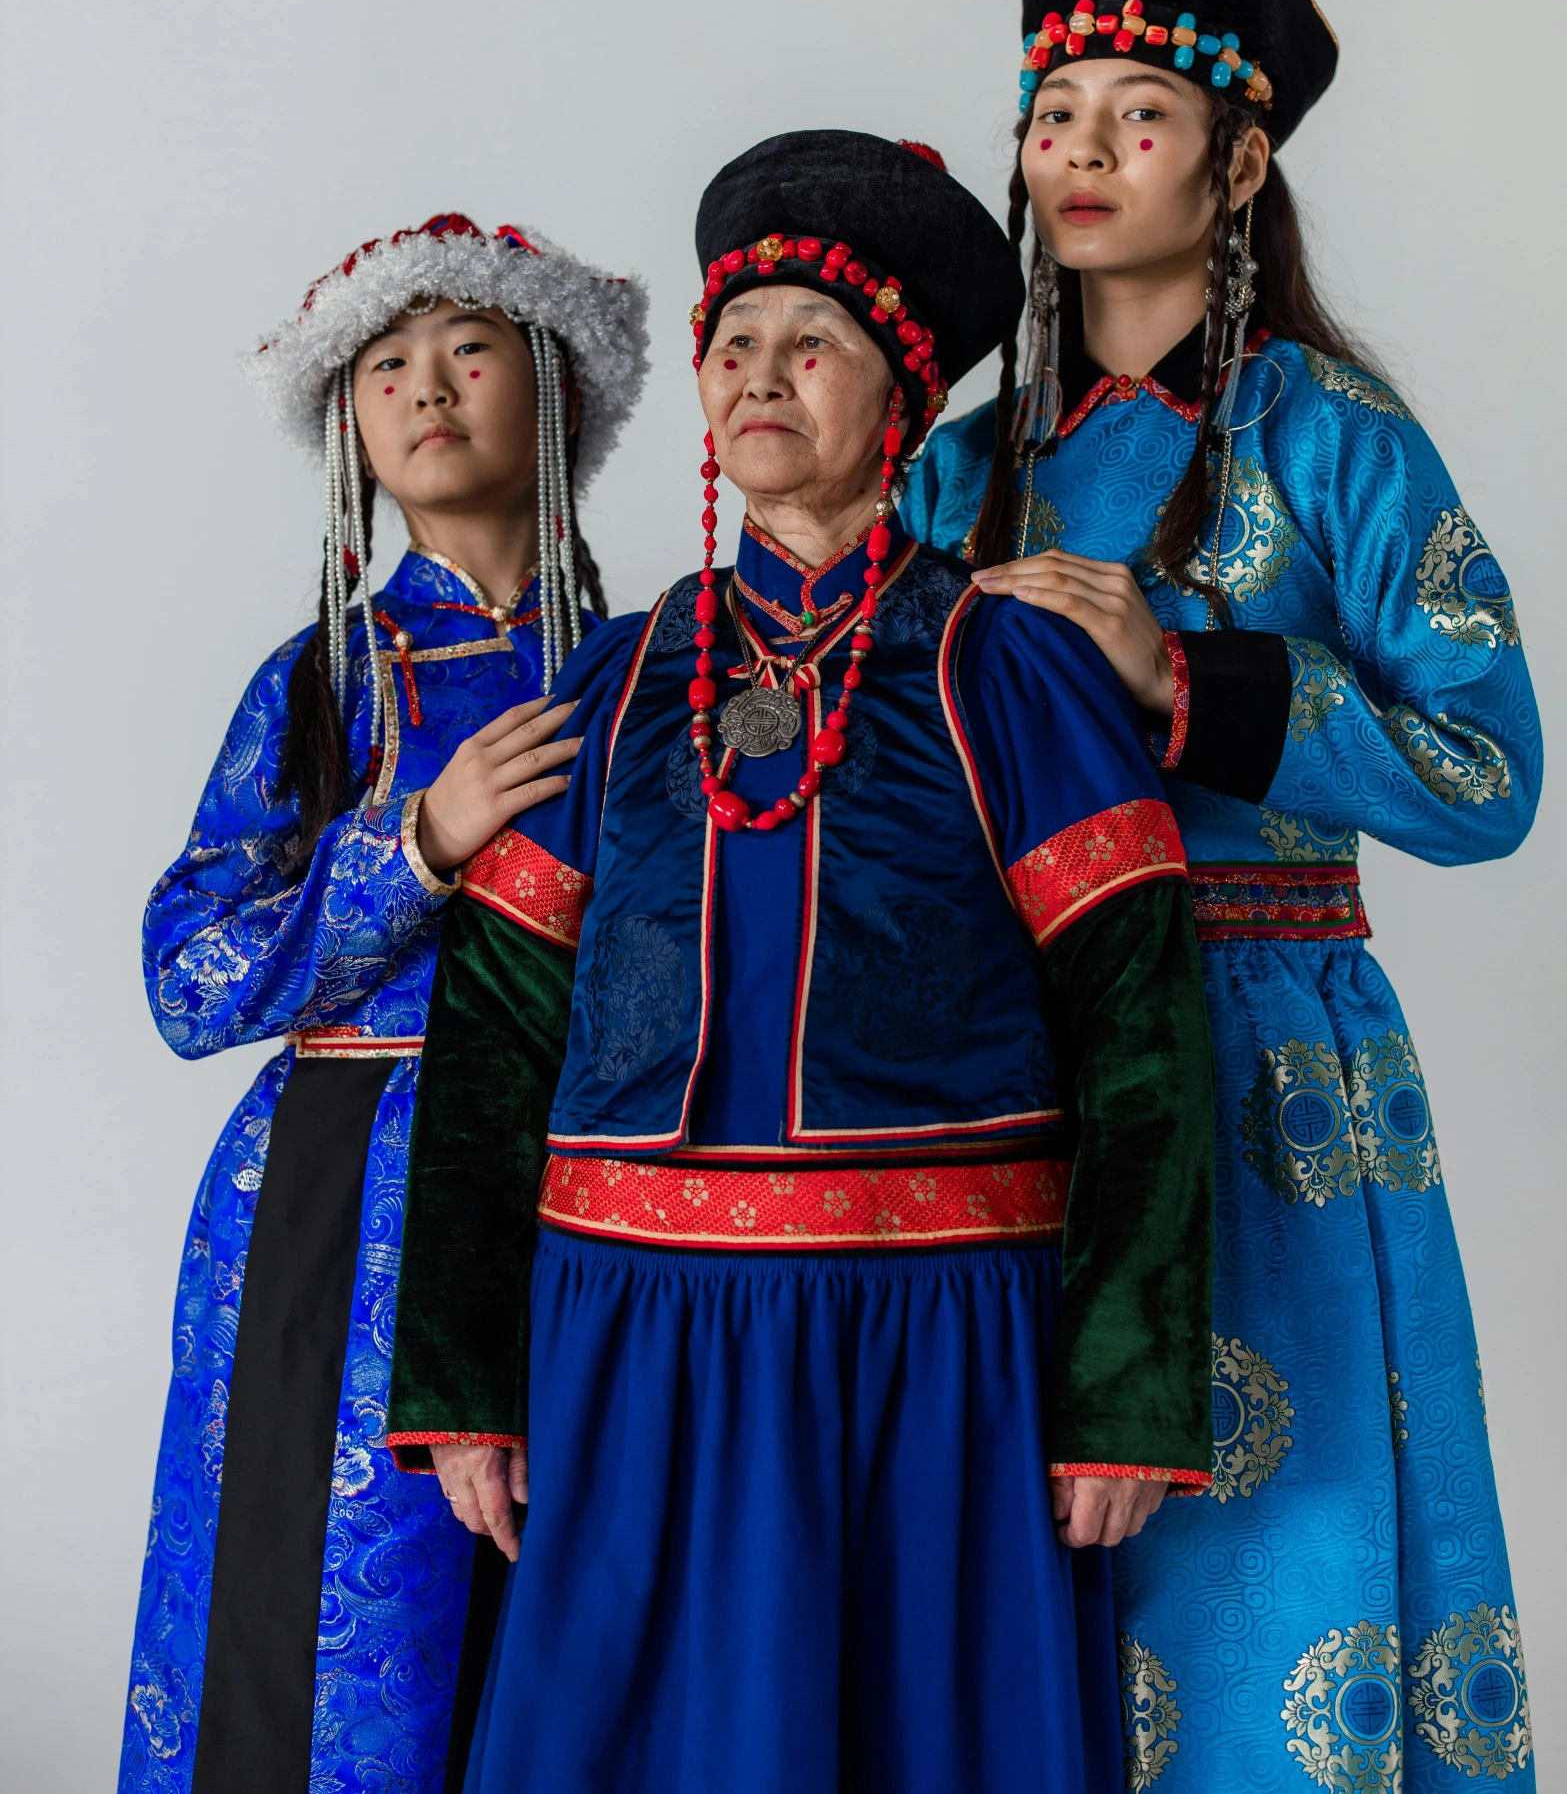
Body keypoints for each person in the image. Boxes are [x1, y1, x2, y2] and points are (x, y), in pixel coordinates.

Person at [386, 133, 1217, 1794]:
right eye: (734, 346)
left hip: (932, 1344)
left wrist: (1124, 1385)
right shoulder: (622, 684)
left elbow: (1142, 1028)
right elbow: (489, 1037)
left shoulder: (1005, 668)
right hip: (631, 1330)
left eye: (810, 347)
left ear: (898, 399)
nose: (760, 377)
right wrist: (467, 1375)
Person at [901, 0, 1542, 1790]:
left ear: (1240, 158)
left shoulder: (1333, 441)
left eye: (1138, 114)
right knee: (1015, 1554)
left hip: (1269, 1063)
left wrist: (1183, 678)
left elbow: (1484, 772)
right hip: (1020, 1058)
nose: (1084, 153)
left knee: (1265, 1545)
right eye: (1055, 113)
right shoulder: (962, 460)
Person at [119, 214, 648, 1794]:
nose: (427, 388)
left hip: (602, 1185)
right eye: (387, 365)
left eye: (471, 350)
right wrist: (413, 847)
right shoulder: (326, 680)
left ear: (555, 391)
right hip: (344, 1205)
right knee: (333, 1629)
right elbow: (186, 976)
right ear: (348, 422)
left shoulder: (654, 670)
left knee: (584, 1615)